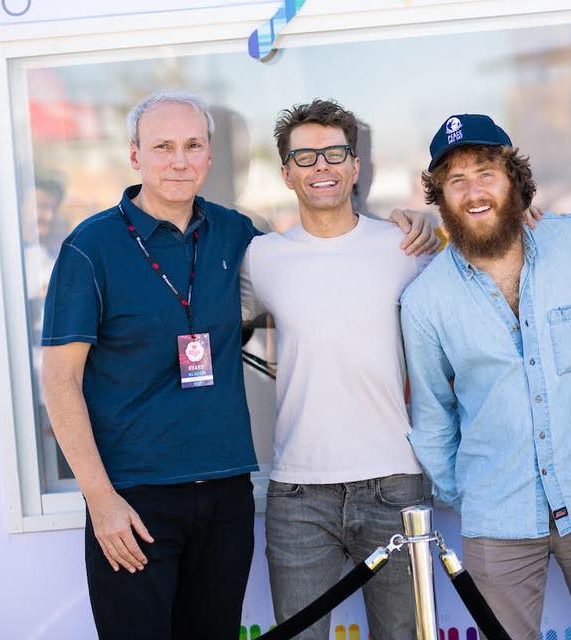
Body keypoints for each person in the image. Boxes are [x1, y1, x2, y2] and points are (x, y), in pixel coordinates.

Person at [40, 91, 435, 640]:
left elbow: (329, 276)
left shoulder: (238, 236)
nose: (179, 160)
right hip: (136, 497)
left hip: (227, 491)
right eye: (163, 147)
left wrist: (422, 221)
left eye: (192, 145)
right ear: (135, 156)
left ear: (208, 156)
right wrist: (101, 501)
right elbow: (60, 382)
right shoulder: (92, 246)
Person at [399, 113, 571, 640]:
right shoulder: (424, 301)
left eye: (486, 172)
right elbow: (432, 414)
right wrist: (466, 493)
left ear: (515, 180)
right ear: (439, 195)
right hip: (497, 521)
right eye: (455, 179)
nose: (473, 191)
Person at [239, 99, 438, 640]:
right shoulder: (261, 258)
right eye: (305, 157)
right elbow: (204, 333)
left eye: (334, 154)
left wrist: (433, 221)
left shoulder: (407, 247)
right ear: (286, 173)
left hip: (396, 484)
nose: (320, 166)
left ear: (356, 166)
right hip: (299, 494)